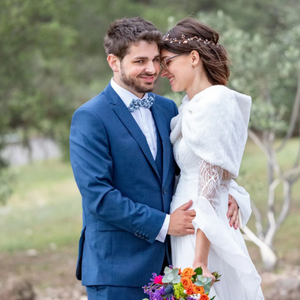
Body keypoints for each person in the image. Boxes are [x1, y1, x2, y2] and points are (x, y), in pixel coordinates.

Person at [69, 17, 251, 300]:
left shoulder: (167, 109)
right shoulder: (90, 117)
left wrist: (233, 195)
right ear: (114, 62)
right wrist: (165, 224)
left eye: (157, 60)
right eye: (140, 61)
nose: (152, 69)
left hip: (170, 264)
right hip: (117, 270)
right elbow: (98, 196)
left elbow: (197, 165)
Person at [160, 18, 264, 300]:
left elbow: (208, 184)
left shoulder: (216, 101)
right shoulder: (189, 106)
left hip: (202, 232)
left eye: (167, 61)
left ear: (193, 58)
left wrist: (201, 259)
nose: (162, 71)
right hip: (186, 226)